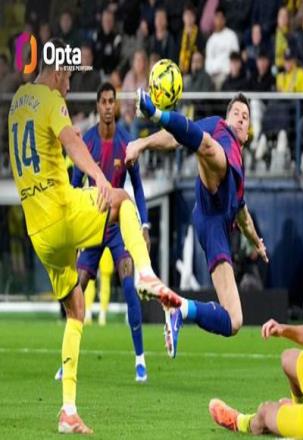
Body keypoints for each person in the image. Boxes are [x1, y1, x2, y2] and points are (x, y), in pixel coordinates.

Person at [8, 38, 180, 434]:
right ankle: (147, 275)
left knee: (76, 309)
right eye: (68, 76)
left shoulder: (18, 102)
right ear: (57, 71)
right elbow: (71, 141)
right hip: (61, 211)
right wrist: (100, 178)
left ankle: (68, 410)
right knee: (122, 200)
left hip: (38, 232)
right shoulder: (52, 100)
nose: (70, 85)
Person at [126, 90, 268, 359]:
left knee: (234, 320)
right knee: (207, 146)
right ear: (227, 118)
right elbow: (175, 138)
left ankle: (181, 309)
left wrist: (256, 242)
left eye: (245, 116)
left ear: (248, 132)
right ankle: (153, 111)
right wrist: (142, 143)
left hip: (216, 229)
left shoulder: (239, 169)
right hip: (208, 205)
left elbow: (243, 215)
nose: (240, 118)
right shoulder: (218, 126)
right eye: (236, 113)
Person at [208, 233, 303, 439]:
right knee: (288, 358)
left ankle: (240, 422)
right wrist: (283, 330)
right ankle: (298, 408)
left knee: (265, 412)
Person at [72, 82, 151, 382]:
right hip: (92, 225)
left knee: (129, 286)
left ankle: (140, 360)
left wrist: (144, 225)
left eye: (111, 101)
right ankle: (68, 361)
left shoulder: (127, 143)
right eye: (103, 101)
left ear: (115, 105)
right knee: (76, 290)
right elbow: (74, 186)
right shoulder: (86, 143)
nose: (107, 106)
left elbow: (138, 188)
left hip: (117, 226)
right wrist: (73, 230)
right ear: (97, 105)